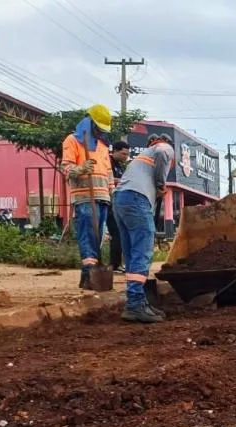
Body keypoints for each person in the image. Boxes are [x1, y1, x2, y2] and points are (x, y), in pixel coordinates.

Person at [112, 134, 174, 323]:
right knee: (142, 252)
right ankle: (135, 305)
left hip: (120, 200)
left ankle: (136, 300)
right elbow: (164, 152)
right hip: (136, 200)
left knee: (131, 253)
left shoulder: (140, 158)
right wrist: (160, 184)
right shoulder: (164, 148)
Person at [61, 104, 114, 290]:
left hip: (102, 198)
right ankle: (89, 272)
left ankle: (89, 277)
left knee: (98, 237)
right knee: (87, 236)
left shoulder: (102, 147)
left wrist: (112, 192)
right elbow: (65, 168)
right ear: (90, 123)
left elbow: (108, 173)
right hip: (84, 197)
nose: (100, 132)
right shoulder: (72, 141)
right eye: (98, 128)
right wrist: (81, 168)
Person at [106, 140, 130, 273]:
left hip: (116, 202)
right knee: (116, 233)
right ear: (114, 150)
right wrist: (121, 181)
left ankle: (117, 264)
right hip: (107, 201)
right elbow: (107, 178)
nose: (125, 157)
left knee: (119, 233)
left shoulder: (120, 166)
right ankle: (114, 265)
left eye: (127, 155)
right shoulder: (108, 162)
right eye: (123, 154)